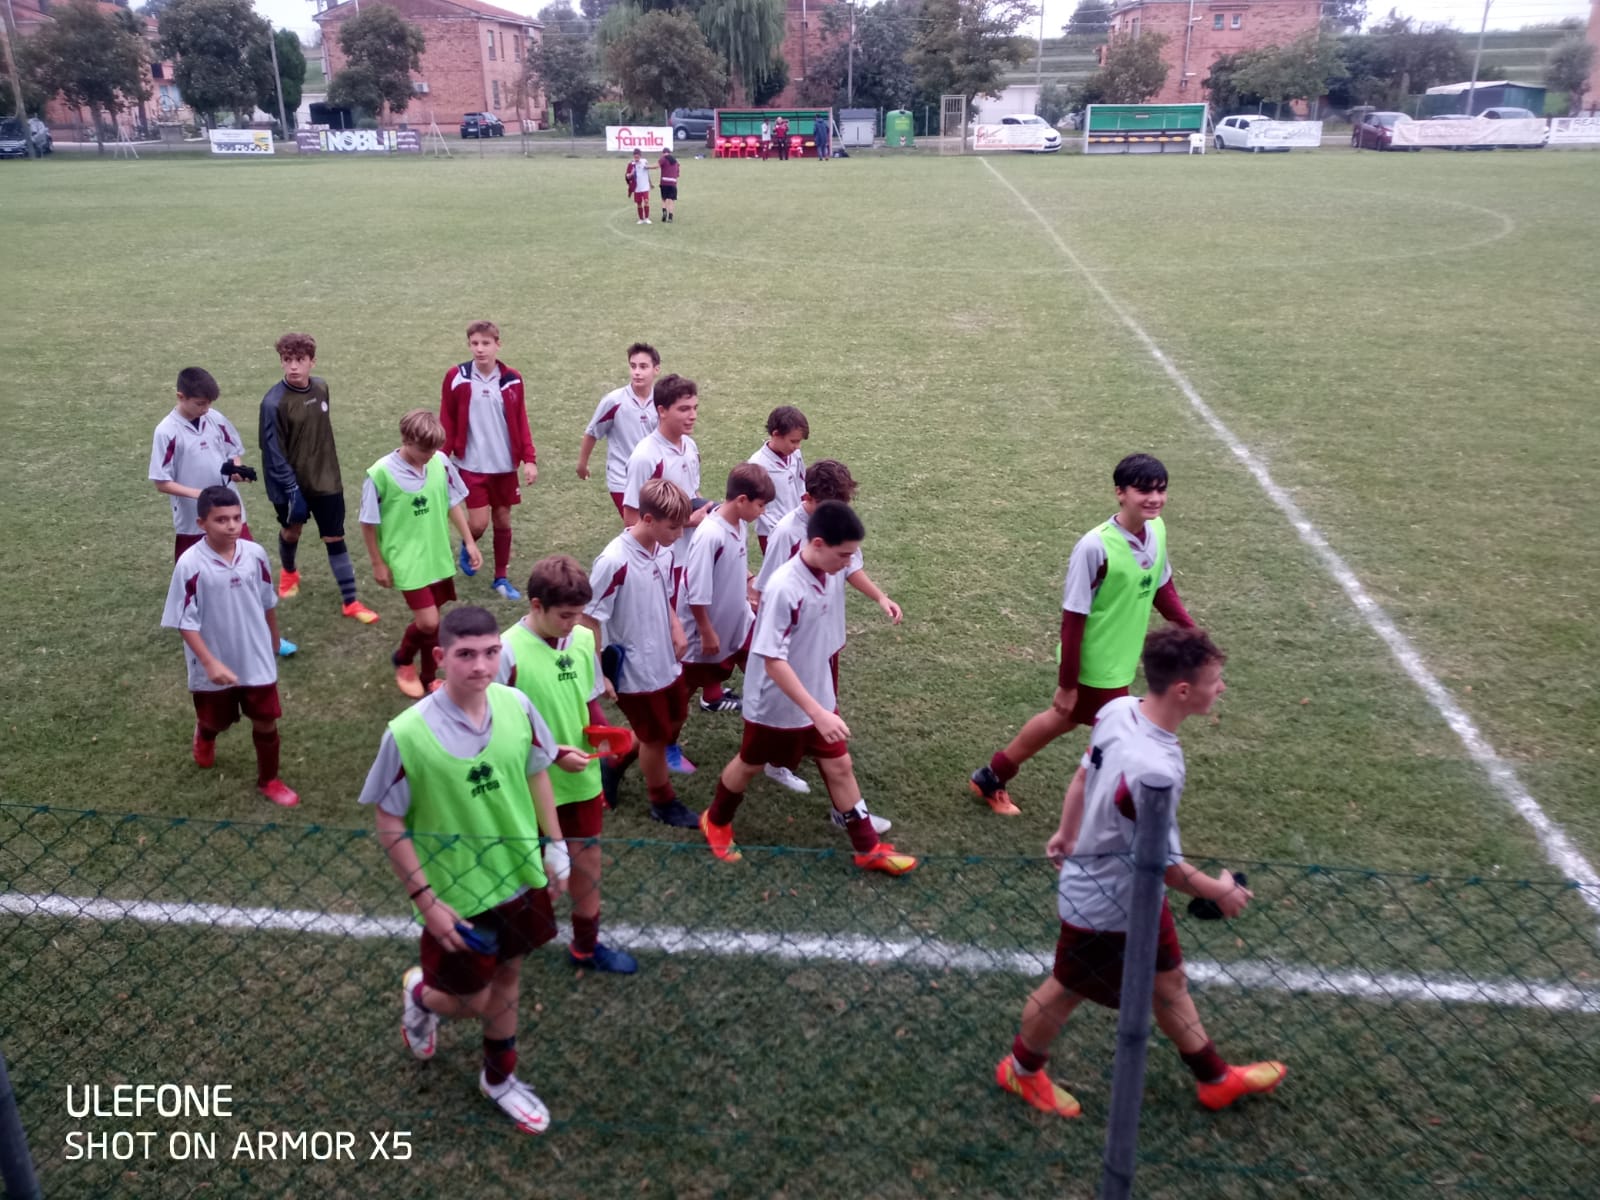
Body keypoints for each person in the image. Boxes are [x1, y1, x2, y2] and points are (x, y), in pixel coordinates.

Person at [994, 626, 1286, 1120]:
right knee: (1065, 989)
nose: (1223, 688)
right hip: (1108, 904)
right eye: (1217, 680)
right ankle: (1020, 1071)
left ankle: (1214, 1079)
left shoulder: (1119, 710)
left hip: (1133, 897)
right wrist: (1223, 892)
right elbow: (1167, 866)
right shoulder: (1157, 768)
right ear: (1184, 691)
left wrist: (1068, 833)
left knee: (1168, 984)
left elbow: (1085, 773)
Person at [361, 605, 582, 1137]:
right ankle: (420, 996)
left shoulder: (517, 705)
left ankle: (499, 1079)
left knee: (509, 974)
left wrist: (556, 846)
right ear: (441, 657)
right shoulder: (407, 733)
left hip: (521, 875)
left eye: (490, 652)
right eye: (466, 654)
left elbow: (537, 776)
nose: (481, 666)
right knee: (466, 999)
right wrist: (426, 902)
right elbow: (389, 818)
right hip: (456, 895)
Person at [699, 501, 916, 876]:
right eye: (844, 554)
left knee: (840, 765)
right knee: (749, 764)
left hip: (816, 697)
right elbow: (772, 659)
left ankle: (868, 848)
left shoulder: (829, 570)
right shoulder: (786, 588)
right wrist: (817, 711)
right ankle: (715, 821)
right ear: (817, 543)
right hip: (777, 706)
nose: (849, 562)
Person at [970, 453, 1194, 816]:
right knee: (1122, 732)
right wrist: (1068, 683)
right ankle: (1121, 805)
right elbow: (1073, 620)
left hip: (1122, 656)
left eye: (1161, 490)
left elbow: (1160, 585)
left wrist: (1190, 630)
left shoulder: (1157, 529)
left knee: (1063, 720)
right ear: (1120, 493)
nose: (1154, 498)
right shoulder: (1095, 547)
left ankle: (991, 776)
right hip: (1096, 663)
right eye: (1144, 490)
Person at [498, 555, 638, 974]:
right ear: (536, 605)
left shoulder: (579, 639)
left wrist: (606, 732)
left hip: (580, 778)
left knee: (586, 860)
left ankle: (585, 946)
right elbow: (496, 728)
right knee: (529, 872)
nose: (574, 622)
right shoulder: (507, 652)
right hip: (527, 782)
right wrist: (554, 752)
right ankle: (507, 939)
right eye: (565, 614)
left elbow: (588, 695)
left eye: (578, 613)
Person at [751, 460, 902, 801]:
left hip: (826, 636)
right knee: (800, 706)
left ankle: (809, 747)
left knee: (821, 702)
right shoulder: (787, 533)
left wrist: (880, 596)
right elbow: (766, 590)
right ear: (809, 498)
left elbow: (851, 569)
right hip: (797, 644)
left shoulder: (837, 526)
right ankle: (777, 762)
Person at [161, 485, 298, 808]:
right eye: (222, 520)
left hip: (256, 656)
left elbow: (267, 601)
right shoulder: (190, 565)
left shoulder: (255, 555)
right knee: (218, 719)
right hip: (215, 660)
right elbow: (185, 620)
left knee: (266, 719)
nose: (232, 525)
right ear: (202, 524)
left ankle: (269, 780)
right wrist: (209, 663)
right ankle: (205, 734)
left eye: (236, 518)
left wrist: (274, 637)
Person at [579, 479, 700, 827]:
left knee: (675, 720)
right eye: (673, 526)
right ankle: (662, 802)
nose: (679, 534)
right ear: (647, 519)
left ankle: (614, 762)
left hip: (666, 659)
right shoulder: (614, 561)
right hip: (636, 668)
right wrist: (598, 670)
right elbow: (589, 619)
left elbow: (664, 594)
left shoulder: (662, 550)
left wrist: (676, 627)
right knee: (655, 736)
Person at [151, 368, 295, 657]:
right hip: (195, 521)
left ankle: (269, 638)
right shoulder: (167, 431)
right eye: (200, 404)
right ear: (181, 397)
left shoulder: (214, 419)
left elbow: (232, 449)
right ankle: (205, 641)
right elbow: (161, 481)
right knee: (195, 580)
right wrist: (201, 496)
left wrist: (236, 469)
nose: (206, 409)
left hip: (231, 514)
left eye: (209, 404)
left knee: (248, 568)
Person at [259, 332, 379, 624]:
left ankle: (350, 602)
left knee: (334, 536)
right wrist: (290, 488)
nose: (293, 367)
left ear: (312, 361)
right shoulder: (273, 403)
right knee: (292, 532)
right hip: (291, 485)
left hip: (326, 479)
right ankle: (289, 572)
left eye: (300, 360)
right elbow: (272, 451)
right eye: (287, 360)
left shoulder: (322, 388)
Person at [360, 409, 480, 698]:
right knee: (429, 622)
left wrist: (469, 542)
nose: (430, 455)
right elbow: (367, 522)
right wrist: (378, 563)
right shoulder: (380, 474)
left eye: (434, 449)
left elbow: (451, 502)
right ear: (406, 439)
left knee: (433, 620)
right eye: (423, 449)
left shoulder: (439, 461)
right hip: (405, 559)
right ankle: (403, 659)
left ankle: (428, 677)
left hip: (436, 553)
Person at [439, 320, 538, 602]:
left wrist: (528, 459)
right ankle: (468, 544)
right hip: (471, 464)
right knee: (480, 523)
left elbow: (521, 419)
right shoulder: (456, 377)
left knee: (503, 519)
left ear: (498, 344)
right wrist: (441, 458)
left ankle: (501, 578)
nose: (480, 349)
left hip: (504, 466)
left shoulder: (513, 379)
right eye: (474, 344)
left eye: (485, 343)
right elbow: (446, 418)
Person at [681, 464, 774, 719]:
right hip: (706, 632)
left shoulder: (739, 524)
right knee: (682, 693)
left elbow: (732, 564)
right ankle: (657, 743)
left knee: (761, 660)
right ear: (742, 500)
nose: (763, 512)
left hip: (738, 620)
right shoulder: (710, 535)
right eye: (761, 505)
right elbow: (694, 589)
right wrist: (706, 631)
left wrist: (749, 582)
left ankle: (774, 712)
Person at [578, 342, 661, 519]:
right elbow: (592, 432)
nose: (636, 372)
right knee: (639, 529)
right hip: (622, 481)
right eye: (633, 366)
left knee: (653, 530)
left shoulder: (661, 401)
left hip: (652, 480)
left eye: (643, 367)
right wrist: (582, 465)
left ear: (656, 370)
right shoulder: (614, 401)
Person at [620, 373, 707, 532]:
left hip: (691, 551)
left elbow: (692, 493)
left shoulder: (690, 446)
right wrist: (686, 522)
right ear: (662, 411)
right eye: (684, 409)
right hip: (663, 554)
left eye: (695, 408)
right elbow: (631, 521)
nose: (693, 416)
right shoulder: (645, 457)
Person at [747, 405, 808, 556]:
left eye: (799, 442)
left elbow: (801, 487)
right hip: (772, 534)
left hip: (797, 528)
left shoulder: (796, 455)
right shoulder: (757, 465)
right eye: (793, 441)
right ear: (776, 434)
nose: (797, 446)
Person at [626, 147, 655, 224]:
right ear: (633, 156)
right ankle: (641, 219)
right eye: (635, 157)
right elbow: (627, 176)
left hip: (645, 186)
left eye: (638, 157)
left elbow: (647, 173)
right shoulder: (631, 164)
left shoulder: (644, 162)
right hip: (637, 188)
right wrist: (631, 174)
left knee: (646, 201)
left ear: (640, 156)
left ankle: (647, 218)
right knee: (639, 203)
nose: (636, 158)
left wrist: (650, 183)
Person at [658, 150, 679, 222]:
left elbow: (656, 166)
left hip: (664, 182)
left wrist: (646, 167)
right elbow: (677, 174)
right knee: (671, 200)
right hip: (673, 183)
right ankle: (670, 217)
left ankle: (664, 213)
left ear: (663, 153)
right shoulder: (676, 161)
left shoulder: (663, 159)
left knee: (664, 199)